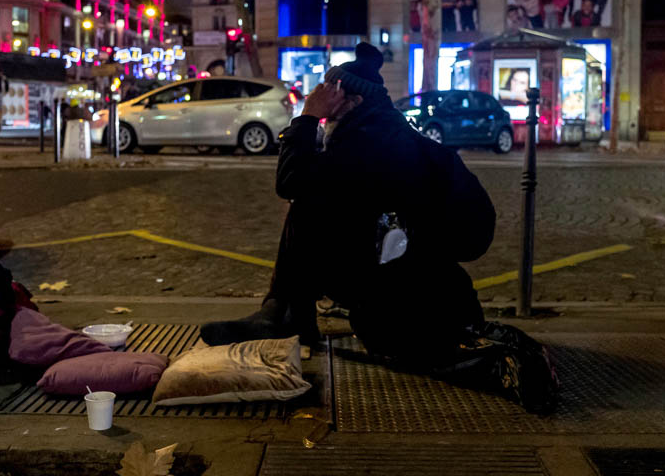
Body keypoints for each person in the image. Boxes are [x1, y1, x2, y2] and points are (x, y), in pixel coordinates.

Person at [200, 43, 558, 414]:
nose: (321, 101)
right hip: (430, 283)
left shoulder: (366, 144)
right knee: (309, 199)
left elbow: (289, 180)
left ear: (351, 101)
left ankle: (284, 314)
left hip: (414, 302)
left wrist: (307, 118)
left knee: (307, 198)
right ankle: (285, 313)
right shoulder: (385, 132)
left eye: (329, 94)